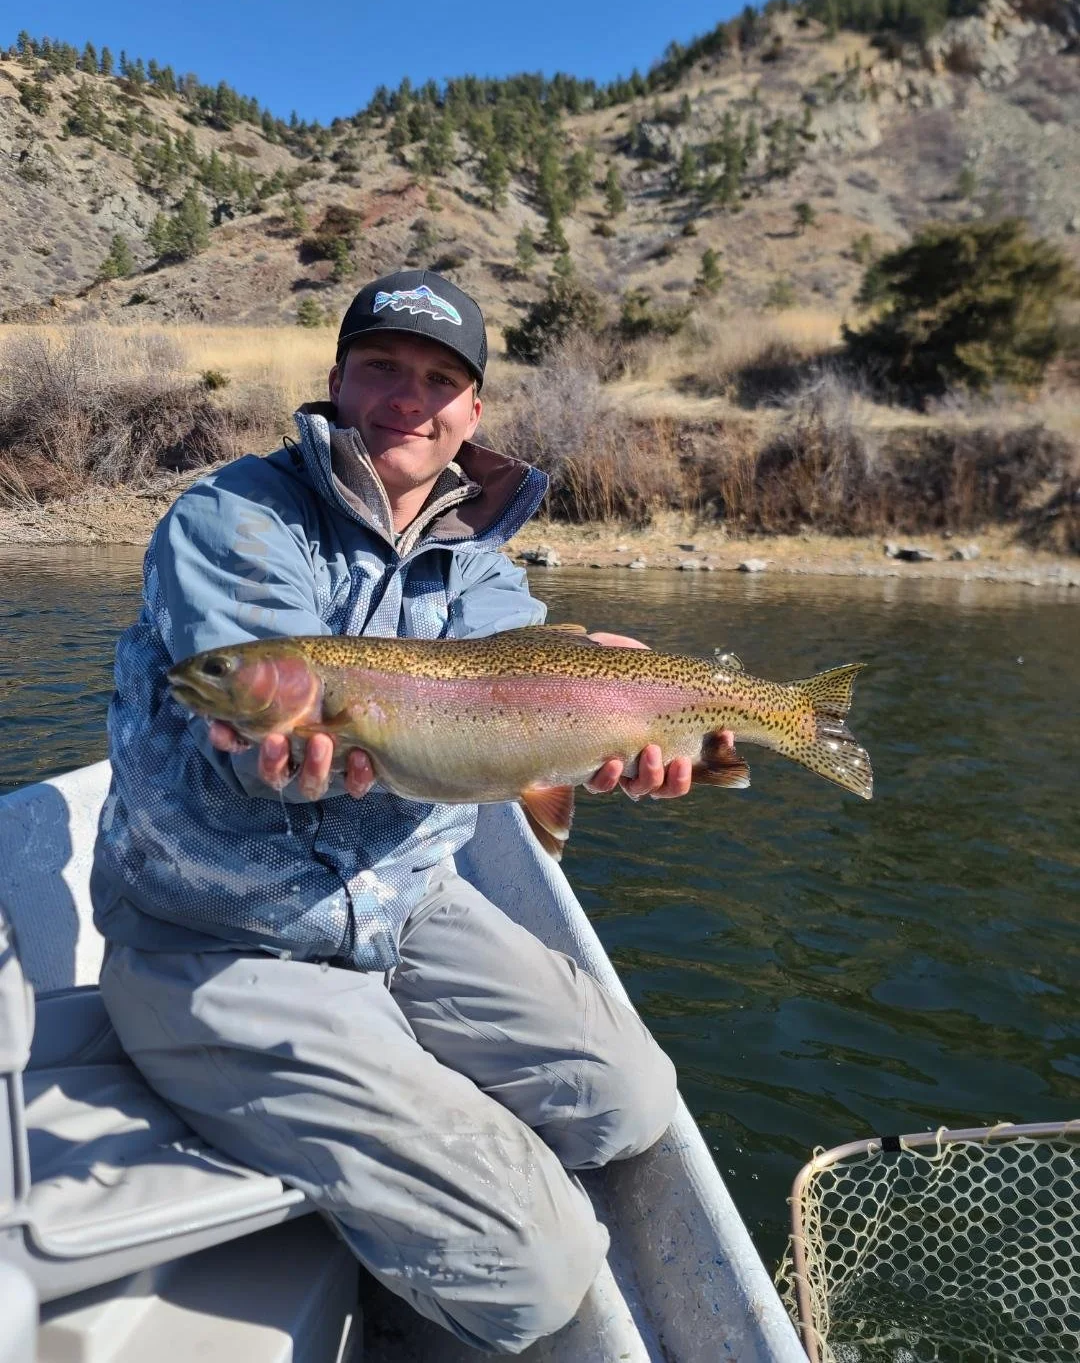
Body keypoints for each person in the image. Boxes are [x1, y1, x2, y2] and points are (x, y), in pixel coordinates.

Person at [91, 270, 727, 1354]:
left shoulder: (475, 559)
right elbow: (255, 737)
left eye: (441, 378)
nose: (407, 397)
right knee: (543, 1268)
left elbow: (527, 704)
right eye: (381, 364)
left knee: (632, 1100)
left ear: (473, 412)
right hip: (217, 938)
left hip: (403, 903)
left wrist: (623, 726)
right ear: (337, 379)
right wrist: (286, 743)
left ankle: (401, 1122)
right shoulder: (234, 516)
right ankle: (390, 1257)